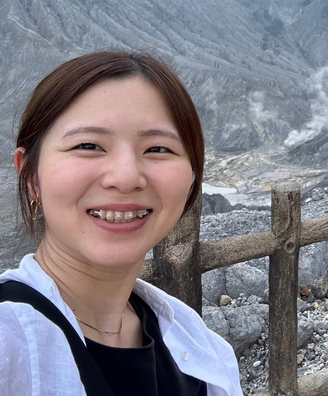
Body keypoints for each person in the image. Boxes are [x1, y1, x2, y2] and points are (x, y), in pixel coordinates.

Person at [0, 51, 243, 396]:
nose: (126, 177)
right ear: (30, 176)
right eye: (88, 145)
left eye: (158, 149)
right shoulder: (8, 343)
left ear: (192, 177)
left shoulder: (199, 344)